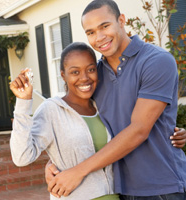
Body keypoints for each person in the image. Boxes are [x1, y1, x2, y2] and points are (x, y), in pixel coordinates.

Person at [46, 0, 186, 199]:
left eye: (105, 26)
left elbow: (139, 130)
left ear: (121, 20)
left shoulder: (156, 60)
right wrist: (53, 164)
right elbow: (78, 125)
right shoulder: (95, 76)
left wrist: (78, 171)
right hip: (117, 188)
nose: (99, 37)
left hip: (161, 187)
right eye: (91, 32)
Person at [9, 42, 121, 200]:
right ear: (63, 75)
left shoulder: (104, 106)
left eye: (90, 69)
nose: (85, 78)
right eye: (75, 72)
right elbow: (22, 157)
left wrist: (170, 131)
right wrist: (23, 102)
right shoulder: (52, 110)